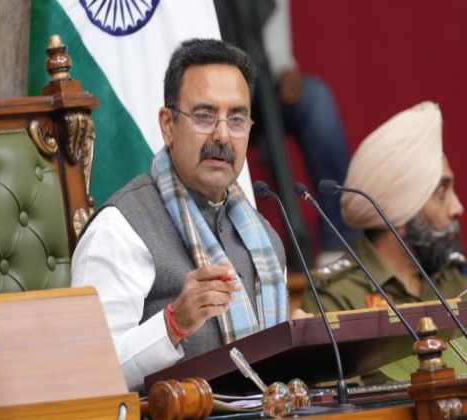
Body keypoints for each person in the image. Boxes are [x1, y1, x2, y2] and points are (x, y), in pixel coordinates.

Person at [72, 39, 299, 391]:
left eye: (236, 119)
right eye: (205, 116)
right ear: (168, 125)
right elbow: (88, 374)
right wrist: (172, 325)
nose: (222, 135)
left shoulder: (264, 238)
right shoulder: (120, 228)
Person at [301, 101, 467, 360]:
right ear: (401, 210)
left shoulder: (456, 280)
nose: (457, 207)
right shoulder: (337, 296)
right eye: (441, 193)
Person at [214, 0, 355, 265]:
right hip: (213, 82)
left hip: (263, 80)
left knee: (316, 100)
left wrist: (283, 67)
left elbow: (271, 17)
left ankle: (338, 241)